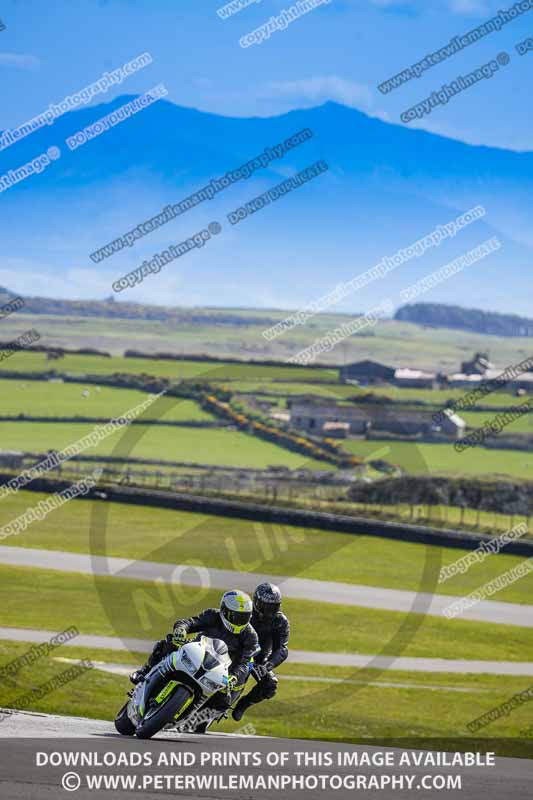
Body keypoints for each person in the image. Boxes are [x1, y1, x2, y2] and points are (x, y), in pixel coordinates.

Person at [130, 589, 259, 710]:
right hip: (196, 653)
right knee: (168, 643)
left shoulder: (251, 636)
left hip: (220, 669)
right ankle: (145, 671)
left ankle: (197, 716)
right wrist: (181, 630)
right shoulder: (212, 615)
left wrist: (234, 677)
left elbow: (244, 662)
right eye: (236, 616)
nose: (240, 621)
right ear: (224, 611)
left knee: (224, 701)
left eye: (245, 617)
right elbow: (190, 623)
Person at [231, 582, 290, 722]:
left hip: (258, 659)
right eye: (267, 607)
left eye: (274, 607)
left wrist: (268, 665)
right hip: (235, 651)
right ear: (257, 603)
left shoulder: (280, 622)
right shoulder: (245, 611)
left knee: (270, 684)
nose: (270, 611)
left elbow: (282, 649)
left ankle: (243, 704)